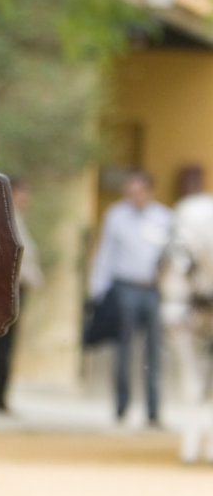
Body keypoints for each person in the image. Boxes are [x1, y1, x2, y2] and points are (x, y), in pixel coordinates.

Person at [89, 170, 174, 425]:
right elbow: (106, 252)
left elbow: (171, 255)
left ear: (149, 191)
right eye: (130, 191)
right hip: (124, 287)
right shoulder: (116, 215)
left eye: (138, 191)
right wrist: (98, 289)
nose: (133, 196)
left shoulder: (164, 217)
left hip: (152, 290)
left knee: (154, 353)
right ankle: (121, 408)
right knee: (123, 350)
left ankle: (153, 412)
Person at [0, 176, 43, 411]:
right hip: (6, 289)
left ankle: (0, 396)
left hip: (17, 289)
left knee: (7, 346)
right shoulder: (3, 218)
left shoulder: (16, 218)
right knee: (1, 347)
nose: (26, 199)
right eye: (22, 193)